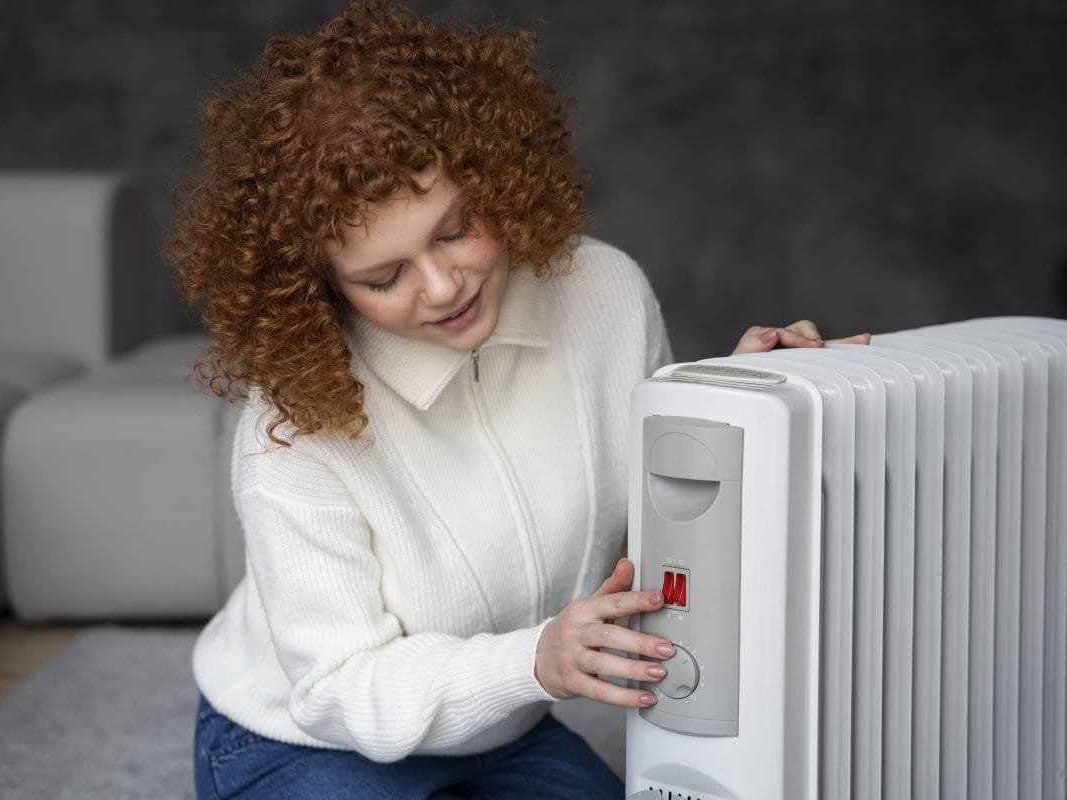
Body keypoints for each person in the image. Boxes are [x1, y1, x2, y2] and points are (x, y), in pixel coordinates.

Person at [166, 2, 868, 798]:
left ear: (497, 175)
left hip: (504, 730)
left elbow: (660, 528)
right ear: (317, 288)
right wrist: (534, 661)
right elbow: (336, 688)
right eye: (383, 278)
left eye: (456, 230)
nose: (441, 286)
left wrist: (732, 410)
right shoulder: (290, 428)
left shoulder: (605, 290)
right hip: (306, 741)